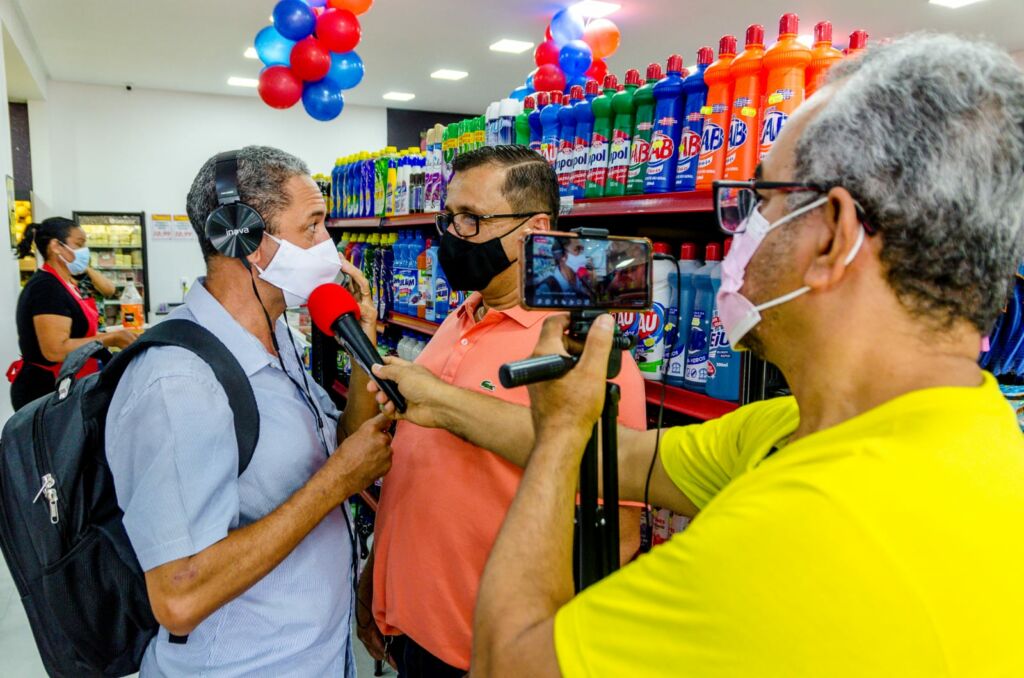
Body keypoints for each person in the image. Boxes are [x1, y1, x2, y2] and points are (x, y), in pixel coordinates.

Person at [373, 35, 1024, 676]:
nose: (739, 226)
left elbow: (507, 663)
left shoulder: (808, 528)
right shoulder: (825, 429)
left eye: (761, 199)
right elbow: (627, 461)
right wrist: (498, 411)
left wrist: (560, 436)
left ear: (834, 236)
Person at [356, 145, 647, 677]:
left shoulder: (580, 349)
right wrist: (378, 576)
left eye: (472, 219)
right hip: (412, 631)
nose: (451, 235)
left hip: (492, 656)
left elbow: (619, 535)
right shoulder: (460, 317)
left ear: (535, 227)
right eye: (449, 216)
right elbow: (421, 468)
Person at [104, 146, 393, 676]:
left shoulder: (275, 335)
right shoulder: (179, 382)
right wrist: (336, 483)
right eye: (313, 227)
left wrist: (360, 353)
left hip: (314, 652)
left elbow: (340, 448)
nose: (328, 245)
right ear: (245, 238)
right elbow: (178, 598)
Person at [9, 217, 134, 410]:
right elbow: (55, 350)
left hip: (72, 382)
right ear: (56, 246)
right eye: (79, 244)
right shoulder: (46, 288)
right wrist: (112, 338)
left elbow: (109, 290)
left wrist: (84, 267)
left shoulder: (71, 282)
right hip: (48, 392)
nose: (84, 251)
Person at [537, 238, 589, 305]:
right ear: (562, 255)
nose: (582, 256)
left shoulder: (583, 281)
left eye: (582, 251)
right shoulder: (546, 288)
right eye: (576, 250)